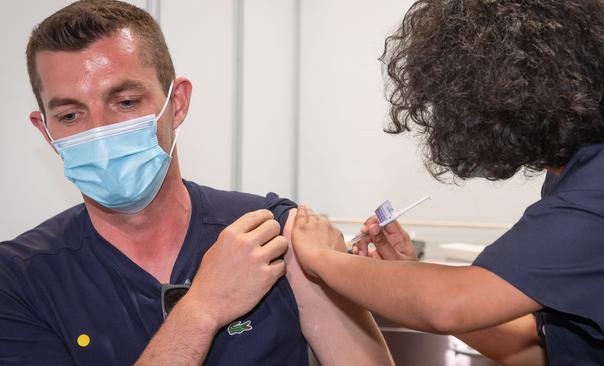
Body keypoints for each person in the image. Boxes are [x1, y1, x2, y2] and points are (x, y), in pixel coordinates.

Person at [0, 1, 395, 365]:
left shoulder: (272, 232)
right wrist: (203, 307)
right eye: (71, 116)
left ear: (177, 103)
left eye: (125, 102)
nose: (100, 134)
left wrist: (374, 283)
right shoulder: (20, 279)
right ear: (47, 133)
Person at [291, 0, 604, 365]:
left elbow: (449, 305)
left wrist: (321, 258)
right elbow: (537, 351)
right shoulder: (584, 165)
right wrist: (407, 275)